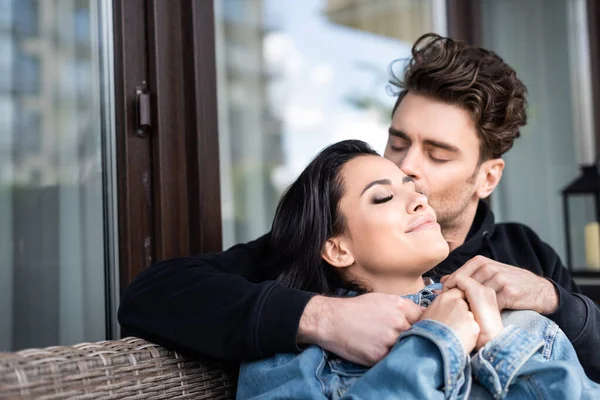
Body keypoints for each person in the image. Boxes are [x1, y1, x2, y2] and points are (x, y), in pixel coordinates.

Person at [117, 33, 600, 381]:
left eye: (437, 153)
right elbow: (150, 295)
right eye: (397, 141)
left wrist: (558, 303)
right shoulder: (330, 255)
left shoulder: (525, 253)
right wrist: (322, 318)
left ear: (487, 177)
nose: (408, 167)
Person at [236, 139, 600, 399]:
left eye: (412, 189)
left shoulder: (515, 320)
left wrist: (499, 347)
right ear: (337, 248)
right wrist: (436, 343)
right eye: (383, 197)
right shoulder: (295, 352)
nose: (419, 199)